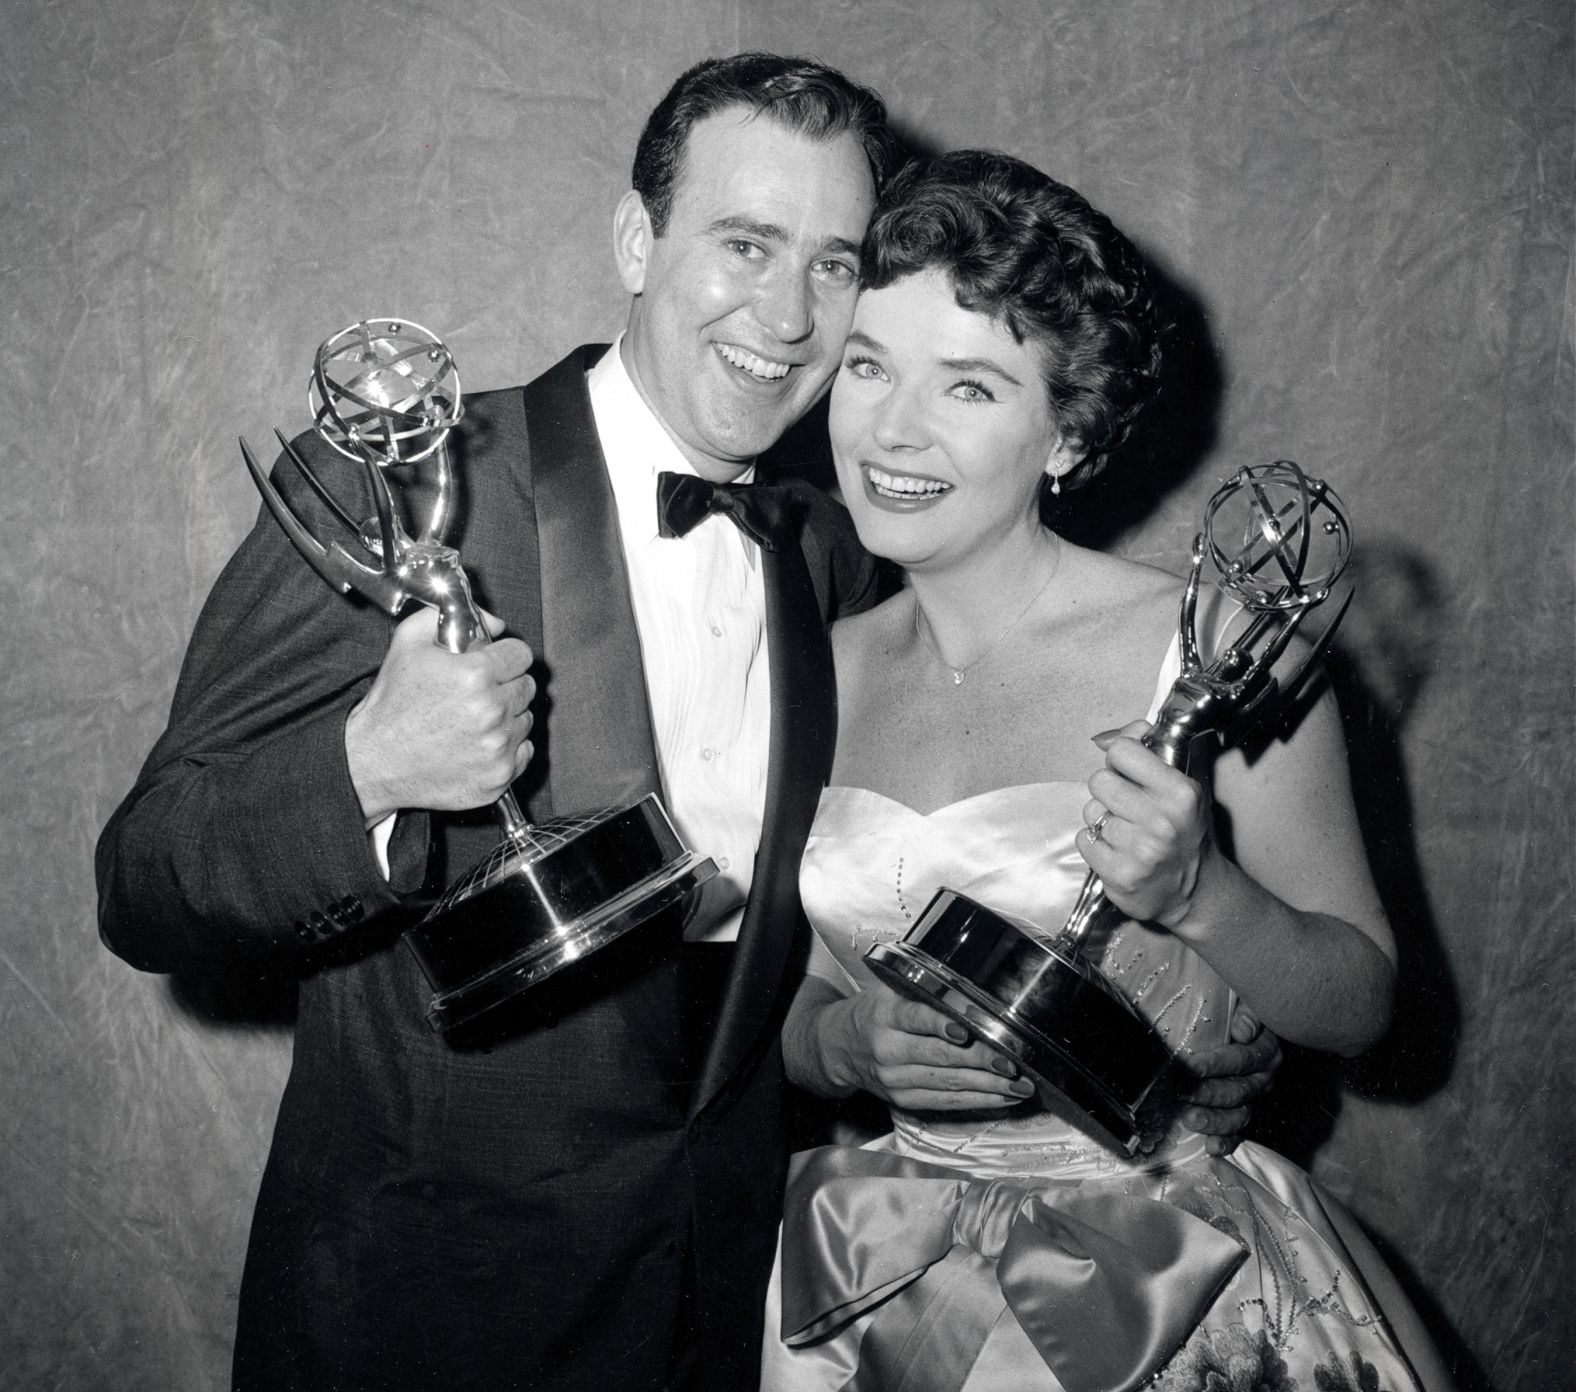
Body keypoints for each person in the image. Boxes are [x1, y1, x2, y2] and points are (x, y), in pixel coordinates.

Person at [96, 54, 1276, 1392]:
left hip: (726, 1306)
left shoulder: (839, 553)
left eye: (832, 264)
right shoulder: (408, 488)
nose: (783, 313)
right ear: (636, 240)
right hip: (429, 1313)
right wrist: (366, 770)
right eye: (743, 243)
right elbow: (145, 884)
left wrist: (1177, 1032)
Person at [761, 151, 1454, 1391]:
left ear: (1067, 434)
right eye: (867, 366)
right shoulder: (809, 669)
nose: (890, 428)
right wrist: (853, 1049)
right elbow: (794, 1012)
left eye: (967, 387)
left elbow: (1361, 1005)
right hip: (888, 1279)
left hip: (1175, 1290)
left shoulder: (1214, 651)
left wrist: (1201, 898)